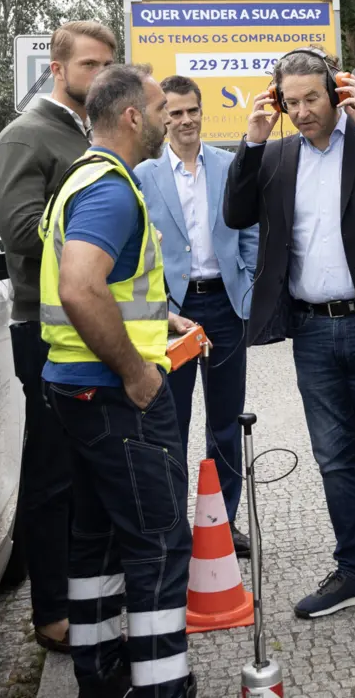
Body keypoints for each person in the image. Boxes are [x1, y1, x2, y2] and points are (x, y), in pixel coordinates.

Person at [222, 47, 355, 638]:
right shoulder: (278, 153)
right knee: (335, 459)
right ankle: (354, 571)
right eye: (291, 102)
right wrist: (254, 139)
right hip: (312, 329)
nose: (303, 110)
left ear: (337, 92)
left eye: (312, 98)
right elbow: (236, 212)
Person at [39, 64, 197, 698]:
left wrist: (161, 317)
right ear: (133, 116)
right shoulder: (110, 189)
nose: (167, 118)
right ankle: (164, 688)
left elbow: (110, 286)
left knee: (98, 540)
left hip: (75, 388)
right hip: (115, 394)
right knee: (158, 543)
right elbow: (80, 285)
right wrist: (137, 373)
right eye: (161, 109)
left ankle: (99, 677)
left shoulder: (83, 176)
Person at [0, 20, 116, 654]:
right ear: (58, 70)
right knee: (50, 472)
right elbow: (20, 236)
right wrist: (94, 259)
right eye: (90, 65)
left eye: (108, 65)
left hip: (91, 323)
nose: (101, 76)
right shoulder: (25, 136)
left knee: (88, 467)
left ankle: (86, 592)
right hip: (45, 329)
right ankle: (51, 613)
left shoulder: (81, 135)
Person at [135, 75, 259, 557]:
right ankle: (174, 526)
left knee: (225, 422)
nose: (185, 120)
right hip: (175, 314)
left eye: (192, 111)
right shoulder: (144, 176)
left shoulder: (229, 166)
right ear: (162, 117)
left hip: (225, 307)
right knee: (173, 422)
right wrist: (160, 309)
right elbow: (140, 250)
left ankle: (224, 523)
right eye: (175, 112)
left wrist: (245, 287)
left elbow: (248, 227)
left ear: (202, 113)